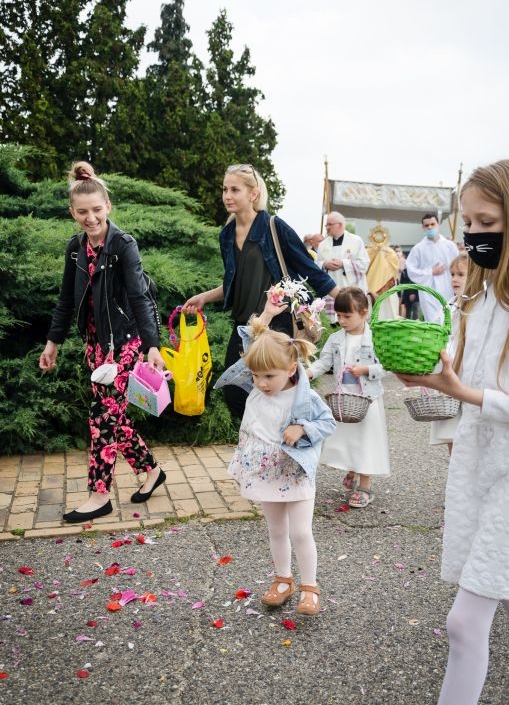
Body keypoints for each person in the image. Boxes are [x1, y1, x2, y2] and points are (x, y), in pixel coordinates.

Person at [397, 160, 509, 705]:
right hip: (481, 467)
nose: (474, 236)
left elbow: (477, 393)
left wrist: (459, 391)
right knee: (471, 619)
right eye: (468, 223)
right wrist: (433, 370)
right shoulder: (478, 299)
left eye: (488, 223)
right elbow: (467, 379)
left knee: (465, 623)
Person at [39, 161, 167, 524]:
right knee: (114, 416)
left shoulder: (123, 245)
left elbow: (141, 298)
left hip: (125, 343)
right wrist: (53, 342)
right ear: (72, 212)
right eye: (82, 212)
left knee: (102, 418)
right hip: (96, 348)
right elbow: (66, 300)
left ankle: (99, 495)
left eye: (96, 209)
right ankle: (152, 471)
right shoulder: (75, 249)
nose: (90, 217)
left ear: (108, 206)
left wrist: (152, 345)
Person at [182, 164, 338, 417]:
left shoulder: (274, 227)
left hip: (276, 325)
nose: (227, 195)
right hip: (244, 325)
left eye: (235, 189)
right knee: (235, 393)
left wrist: (345, 299)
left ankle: (279, 448)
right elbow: (235, 281)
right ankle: (260, 445)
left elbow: (310, 269)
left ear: (253, 194)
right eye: (224, 189)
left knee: (277, 392)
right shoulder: (226, 235)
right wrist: (204, 297)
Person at [223, 297, 336, 615]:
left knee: (300, 531)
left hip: (295, 472)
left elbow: (327, 422)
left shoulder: (305, 396)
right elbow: (251, 339)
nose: (260, 383)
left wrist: (302, 429)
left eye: (269, 377)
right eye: (256, 376)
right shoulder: (257, 381)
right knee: (275, 531)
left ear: (290, 369)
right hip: (266, 473)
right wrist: (268, 314)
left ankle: (310, 586)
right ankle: (283, 580)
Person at [307, 287, 390, 508]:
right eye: (339, 316)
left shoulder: (375, 338)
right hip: (344, 398)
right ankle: (352, 469)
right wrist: (309, 372)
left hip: (368, 398)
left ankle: (365, 485)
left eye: (347, 316)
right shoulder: (336, 339)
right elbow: (324, 362)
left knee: (366, 439)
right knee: (348, 438)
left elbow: (387, 366)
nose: (341, 320)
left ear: (364, 313)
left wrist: (365, 370)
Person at [429, 252, 469, 455]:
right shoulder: (449, 305)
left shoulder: (476, 306)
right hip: (447, 370)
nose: (454, 278)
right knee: (451, 430)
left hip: (465, 373)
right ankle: (454, 469)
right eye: (452, 274)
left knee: (466, 430)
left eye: (461, 274)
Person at [316, 212, 370, 324]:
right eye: (326, 225)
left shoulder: (356, 241)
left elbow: (364, 264)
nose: (327, 228)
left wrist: (344, 264)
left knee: (352, 321)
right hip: (331, 292)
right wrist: (325, 264)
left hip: (351, 290)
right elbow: (316, 264)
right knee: (333, 324)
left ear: (340, 225)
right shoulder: (323, 244)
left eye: (330, 224)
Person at [405, 212, 458, 321]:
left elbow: (458, 266)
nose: (430, 227)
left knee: (449, 319)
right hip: (427, 291)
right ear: (423, 227)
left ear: (438, 225)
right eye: (426, 225)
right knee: (432, 320)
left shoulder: (450, 246)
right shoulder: (418, 248)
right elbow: (411, 270)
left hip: (447, 288)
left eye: (432, 224)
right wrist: (430, 272)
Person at [365, 226, 400, 319]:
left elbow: (394, 270)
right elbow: (362, 267)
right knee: (371, 315)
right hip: (370, 291)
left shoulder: (390, 253)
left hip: (387, 290)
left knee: (388, 313)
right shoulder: (368, 252)